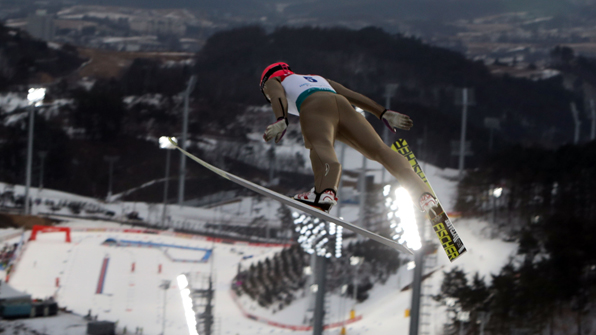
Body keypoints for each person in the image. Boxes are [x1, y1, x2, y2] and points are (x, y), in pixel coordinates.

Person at [260, 62, 437, 212]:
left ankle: (324, 192)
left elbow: (277, 96)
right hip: (342, 106)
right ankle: (423, 193)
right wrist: (382, 112)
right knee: (380, 150)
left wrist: (281, 119)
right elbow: (352, 95)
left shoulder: (274, 80)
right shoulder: (317, 78)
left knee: (321, 145)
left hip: (314, 106)